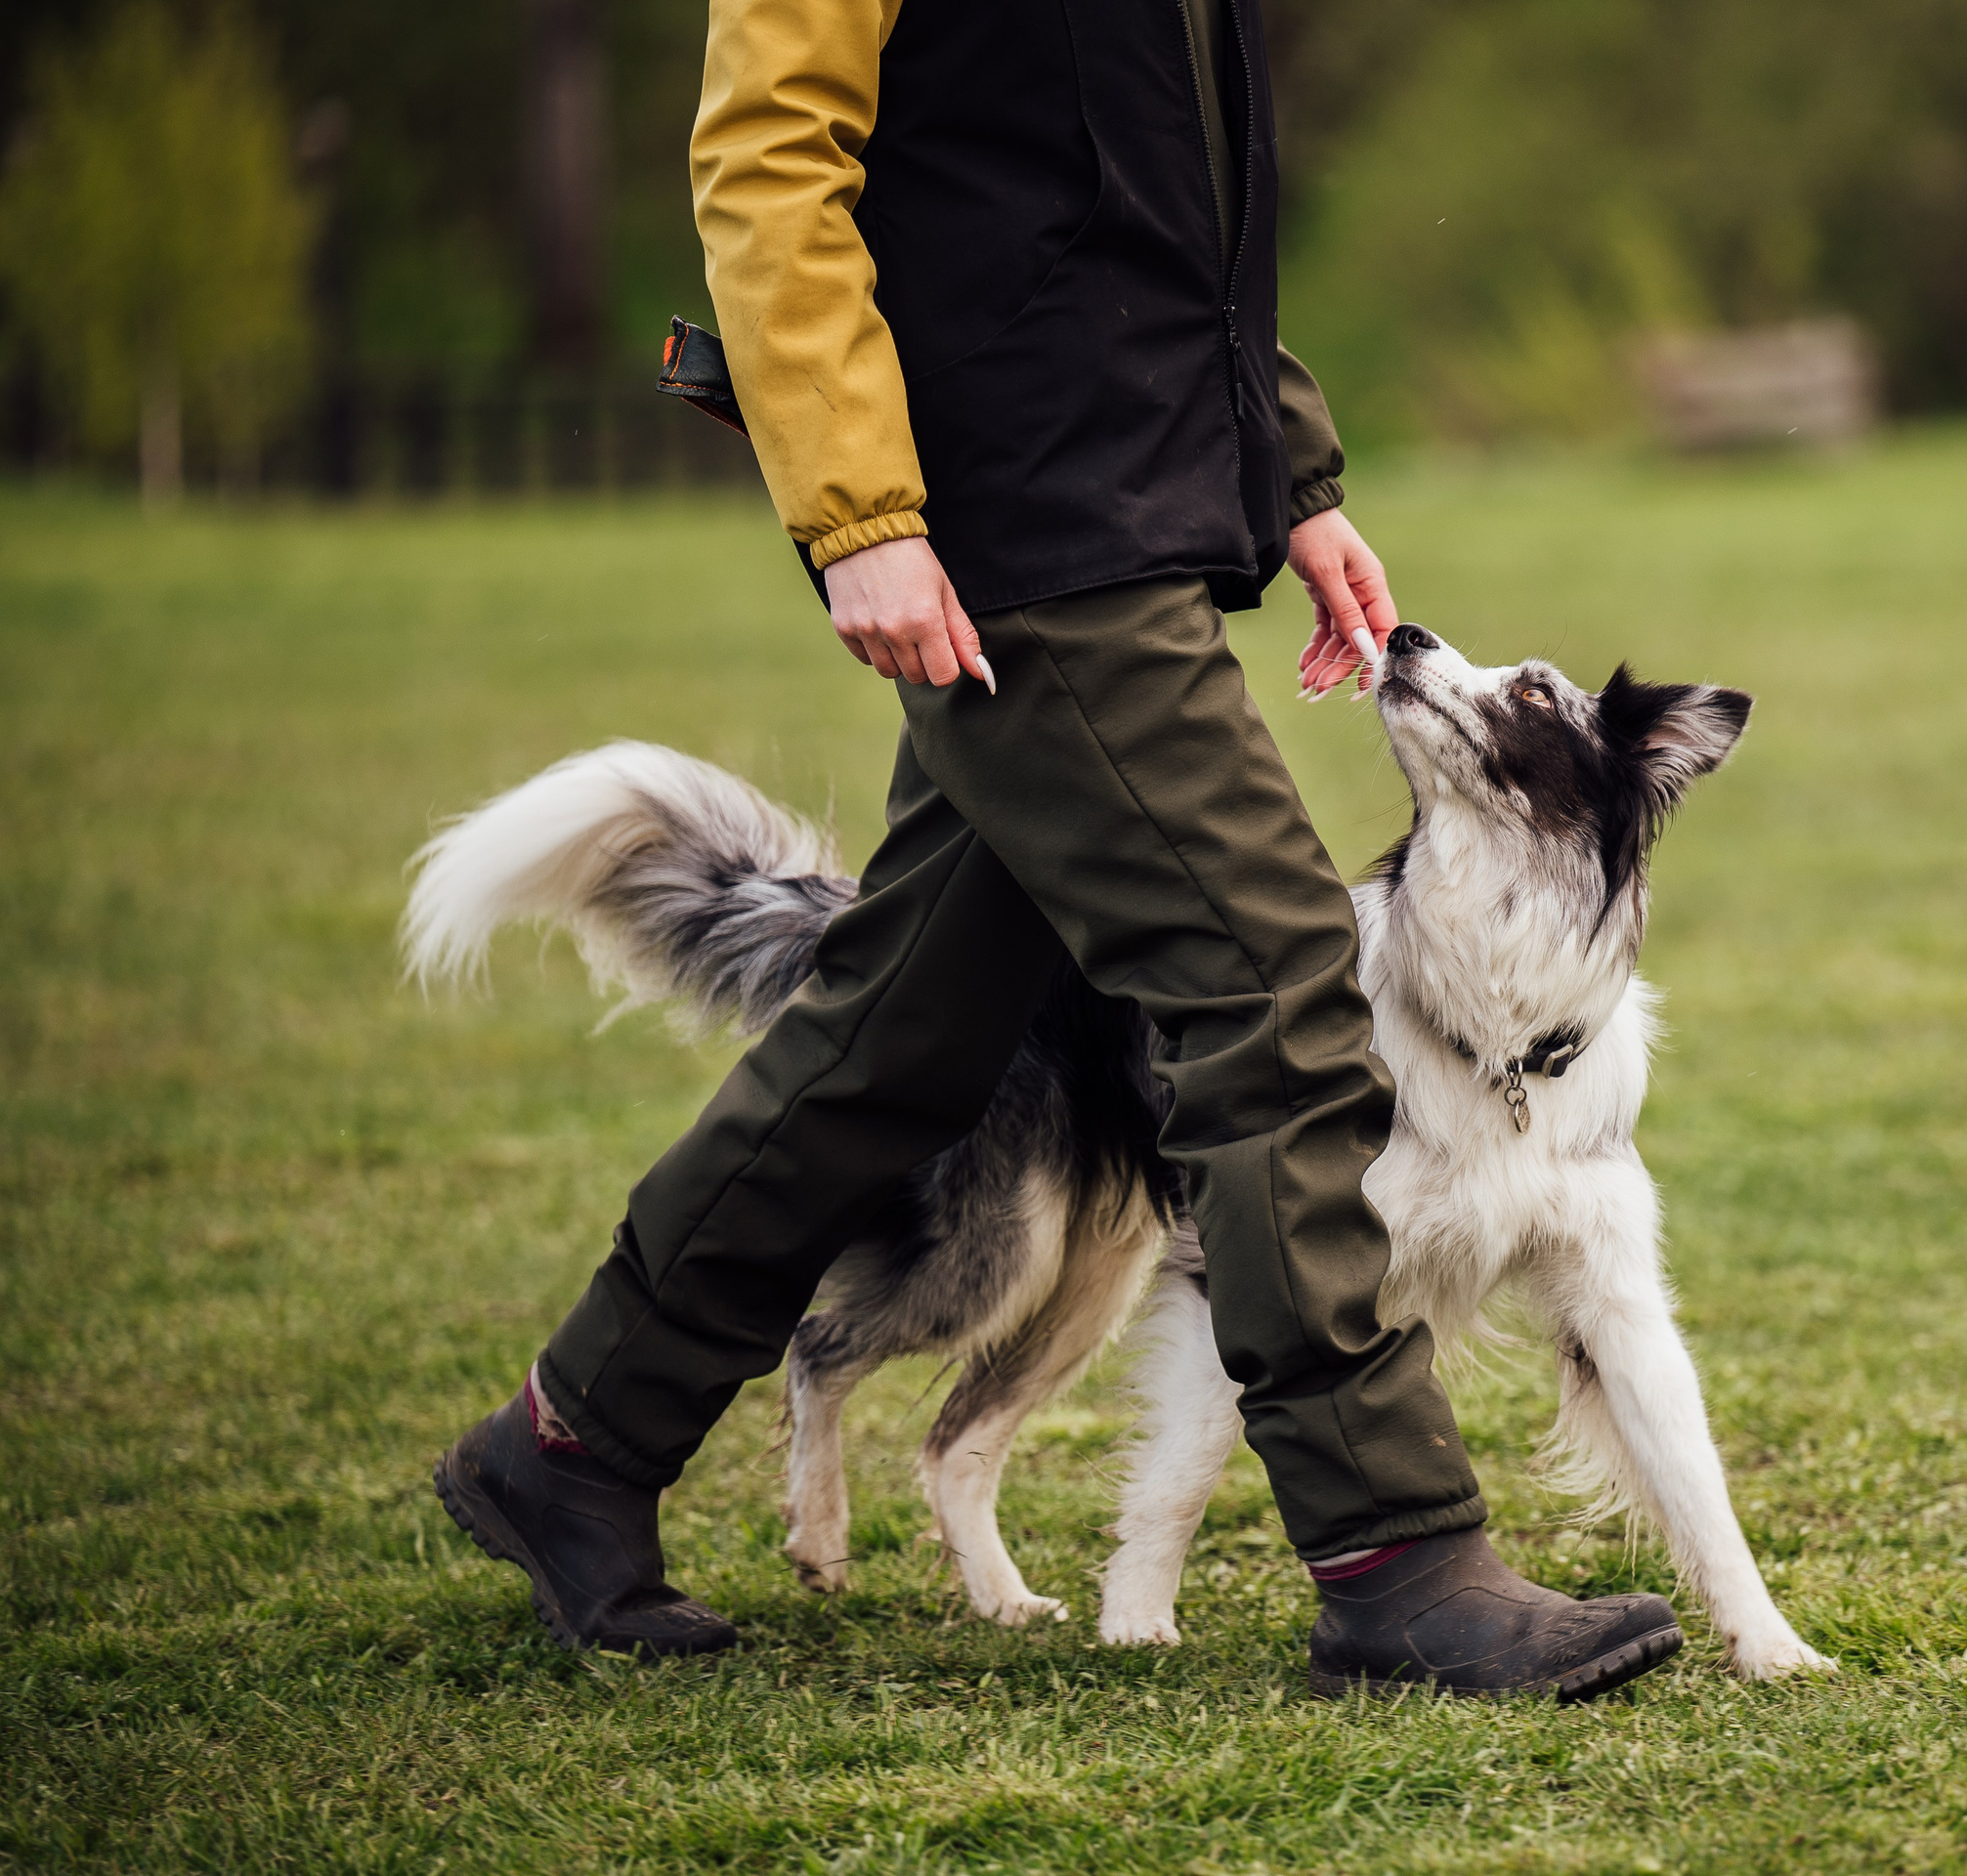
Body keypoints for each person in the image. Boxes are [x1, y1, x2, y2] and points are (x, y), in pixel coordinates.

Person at [434, 0, 1685, 1700]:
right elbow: (768, 157)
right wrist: (858, 513)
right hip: (1020, 526)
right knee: (1274, 982)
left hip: (1121, 500)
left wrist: (1291, 472)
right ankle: (1398, 1554)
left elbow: (1165, 197)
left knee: (892, 1040)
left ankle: (573, 1440)